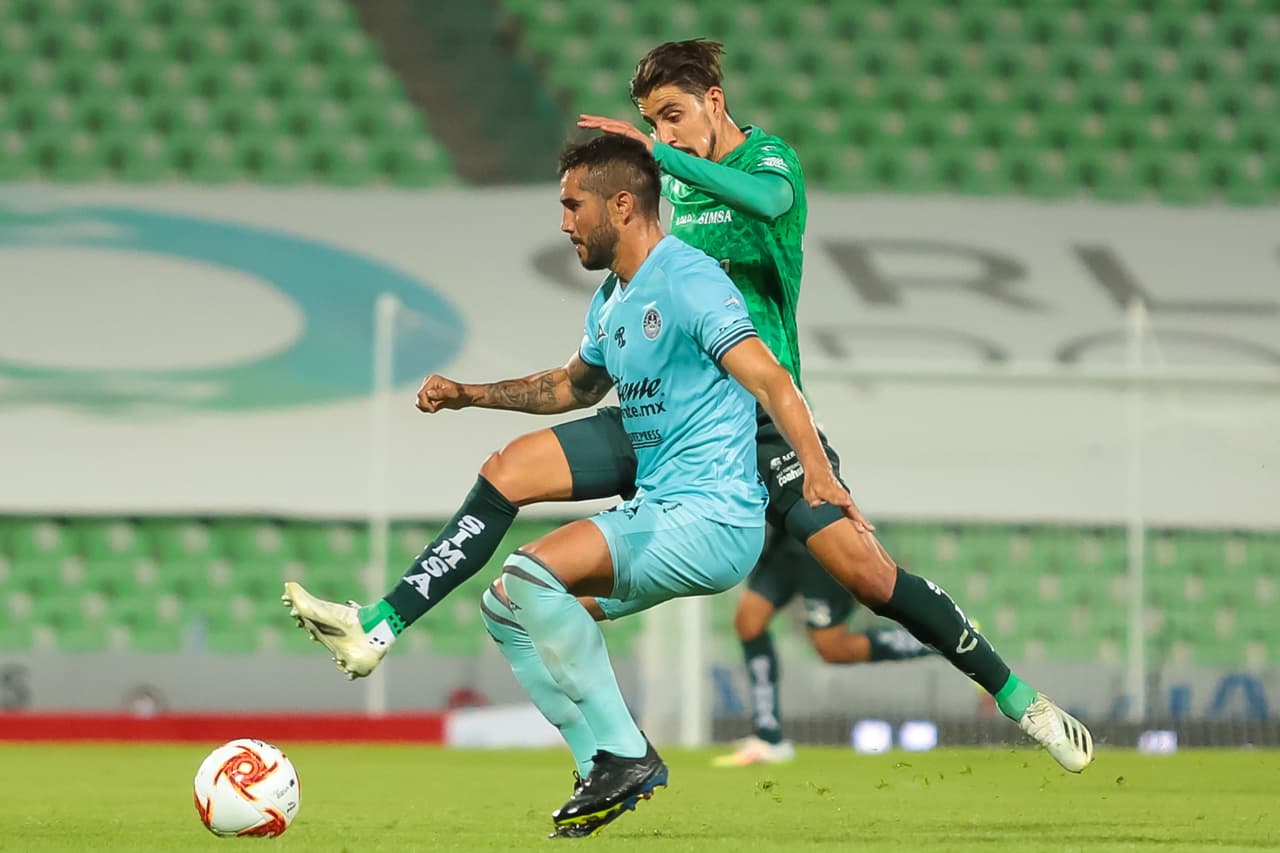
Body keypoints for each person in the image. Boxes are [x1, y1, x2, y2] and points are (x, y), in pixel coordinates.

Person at [282, 39, 1093, 775]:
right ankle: (381, 622)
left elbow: (769, 207)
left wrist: (658, 159)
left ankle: (1022, 699)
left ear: (715, 99)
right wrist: (473, 394)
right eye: (650, 122)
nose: (663, 135)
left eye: (673, 116)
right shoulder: (663, 186)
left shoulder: (769, 163)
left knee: (871, 576)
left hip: (760, 422)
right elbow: (594, 354)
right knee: (508, 473)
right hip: (667, 412)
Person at [292, 134, 854, 837]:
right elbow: (570, 385)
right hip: (662, 512)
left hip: (712, 517)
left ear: (622, 205)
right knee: (505, 609)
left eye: (572, 205)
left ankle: (627, 752)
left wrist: (818, 469)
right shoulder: (614, 299)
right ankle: (601, 771)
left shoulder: (689, 276)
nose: (563, 222)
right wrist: (470, 394)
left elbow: (769, 376)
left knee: (531, 571)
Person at [713, 529, 933, 767]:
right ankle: (769, 738)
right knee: (748, 623)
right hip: (784, 548)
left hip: (820, 544)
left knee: (832, 648)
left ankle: (934, 642)